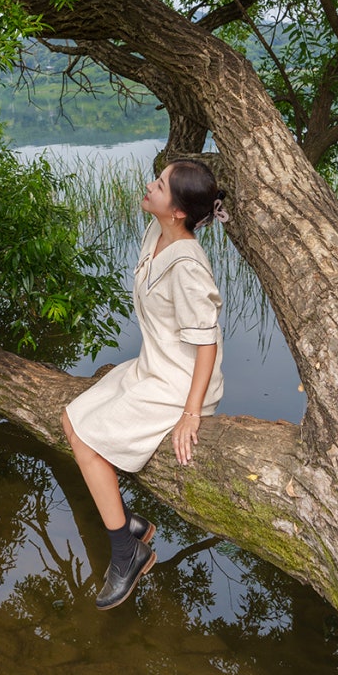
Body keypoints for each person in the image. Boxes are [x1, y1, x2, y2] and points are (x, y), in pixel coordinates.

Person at [62, 159, 228, 610]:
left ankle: (127, 552)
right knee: (71, 418)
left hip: (179, 383)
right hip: (154, 365)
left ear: (178, 211)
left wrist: (191, 413)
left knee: (90, 444)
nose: (149, 186)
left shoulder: (189, 266)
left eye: (159, 185)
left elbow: (207, 343)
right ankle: (131, 525)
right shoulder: (156, 233)